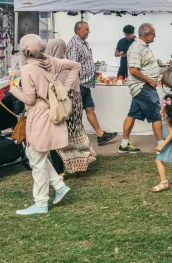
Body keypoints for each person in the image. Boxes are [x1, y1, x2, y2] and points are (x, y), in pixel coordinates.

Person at [10, 35, 79, 215]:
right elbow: (75, 66)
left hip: (38, 114)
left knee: (36, 156)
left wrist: (13, 89)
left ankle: (41, 202)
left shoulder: (27, 69)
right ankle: (59, 186)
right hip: (52, 110)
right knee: (38, 154)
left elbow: (29, 99)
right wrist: (65, 87)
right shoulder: (51, 61)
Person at [46, 39, 97, 174]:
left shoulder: (50, 67)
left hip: (59, 106)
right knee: (75, 135)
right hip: (74, 106)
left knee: (57, 137)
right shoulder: (69, 65)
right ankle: (80, 163)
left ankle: (59, 170)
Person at [66, 21, 117, 146]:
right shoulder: (74, 44)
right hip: (79, 84)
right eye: (86, 29)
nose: (88, 31)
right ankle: (74, 140)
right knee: (75, 113)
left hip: (85, 84)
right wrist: (76, 83)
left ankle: (101, 135)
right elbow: (73, 65)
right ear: (78, 30)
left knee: (89, 108)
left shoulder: (82, 43)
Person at [120, 23, 164, 153]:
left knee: (132, 114)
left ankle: (123, 145)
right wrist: (150, 80)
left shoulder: (142, 46)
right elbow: (133, 70)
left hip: (142, 87)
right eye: (153, 33)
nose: (155, 35)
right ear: (146, 34)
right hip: (143, 87)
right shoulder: (136, 47)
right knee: (156, 115)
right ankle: (161, 146)